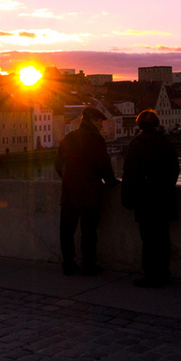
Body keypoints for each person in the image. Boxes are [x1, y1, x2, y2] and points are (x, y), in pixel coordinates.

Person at [121, 109, 180, 287]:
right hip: (164, 199)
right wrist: (166, 187)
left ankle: (151, 275)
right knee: (163, 238)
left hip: (145, 200)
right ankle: (164, 273)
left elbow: (129, 174)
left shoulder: (137, 144)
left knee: (148, 239)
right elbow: (175, 171)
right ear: (157, 124)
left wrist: (127, 199)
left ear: (139, 125)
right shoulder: (167, 143)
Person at [55, 106, 117, 275]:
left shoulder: (69, 137)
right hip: (90, 193)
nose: (102, 126)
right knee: (88, 231)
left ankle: (68, 263)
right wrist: (112, 183)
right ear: (91, 120)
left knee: (67, 230)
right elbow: (104, 166)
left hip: (69, 192)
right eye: (100, 122)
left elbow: (58, 165)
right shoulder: (96, 139)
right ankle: (88, 265)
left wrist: (69, 179)